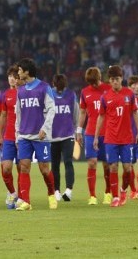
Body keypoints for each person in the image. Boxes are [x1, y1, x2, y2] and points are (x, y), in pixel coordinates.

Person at [93, 65, 138, 207]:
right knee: (113, 167)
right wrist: (96, 137)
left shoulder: (129, 94)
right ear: (109, 81)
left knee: (128, 168)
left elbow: (134, 113)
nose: (115, 82)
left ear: (122, 79)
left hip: (126, 139)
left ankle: (123, 190)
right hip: (111, 139)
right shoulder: (105, 97)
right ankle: (115, 197)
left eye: (117, 79)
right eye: (112, 79)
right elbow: (101, 117)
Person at [14, 58, 57, 211]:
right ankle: (26, 201)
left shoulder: (44, 87)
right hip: (25, 135)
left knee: (44, 169)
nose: (18, 73)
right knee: (24, 167)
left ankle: (51, 194)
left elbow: (52, 109)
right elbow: (18, 114)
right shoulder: (20, 90)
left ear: (26, 71)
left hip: (41, 136)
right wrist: (17, 134)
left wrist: (45, 128)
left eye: (19, 70)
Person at [76, 67, 112, 205]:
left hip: (108, 133)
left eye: (95, 82)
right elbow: (83, 112)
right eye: (91, 83)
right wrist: (79, 130)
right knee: (91, 163)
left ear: (99, 78)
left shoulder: (108, 89)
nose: (93, 85)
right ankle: (92, 196)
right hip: (90, 132)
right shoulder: (85, 92)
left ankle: (108, 192)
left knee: (107, 165)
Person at [0, 65, 24, 209]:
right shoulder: (3, 94)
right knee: (6, 168)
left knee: (21, 168)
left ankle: (21, 198)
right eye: (10, 76)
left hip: (23, 137)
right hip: (8, 137)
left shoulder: (26, 93)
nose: (12, 79)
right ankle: (12, 193)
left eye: (15, 76)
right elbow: (2, 115)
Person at [51, 74, 79, 202]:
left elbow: (75, 113)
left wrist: (76, 129)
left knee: (68, 162)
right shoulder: (49, 94)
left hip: (67, 135)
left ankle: (68, 190)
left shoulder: (71, 95)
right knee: (55, 164)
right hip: (53, 136)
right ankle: (56, 190)